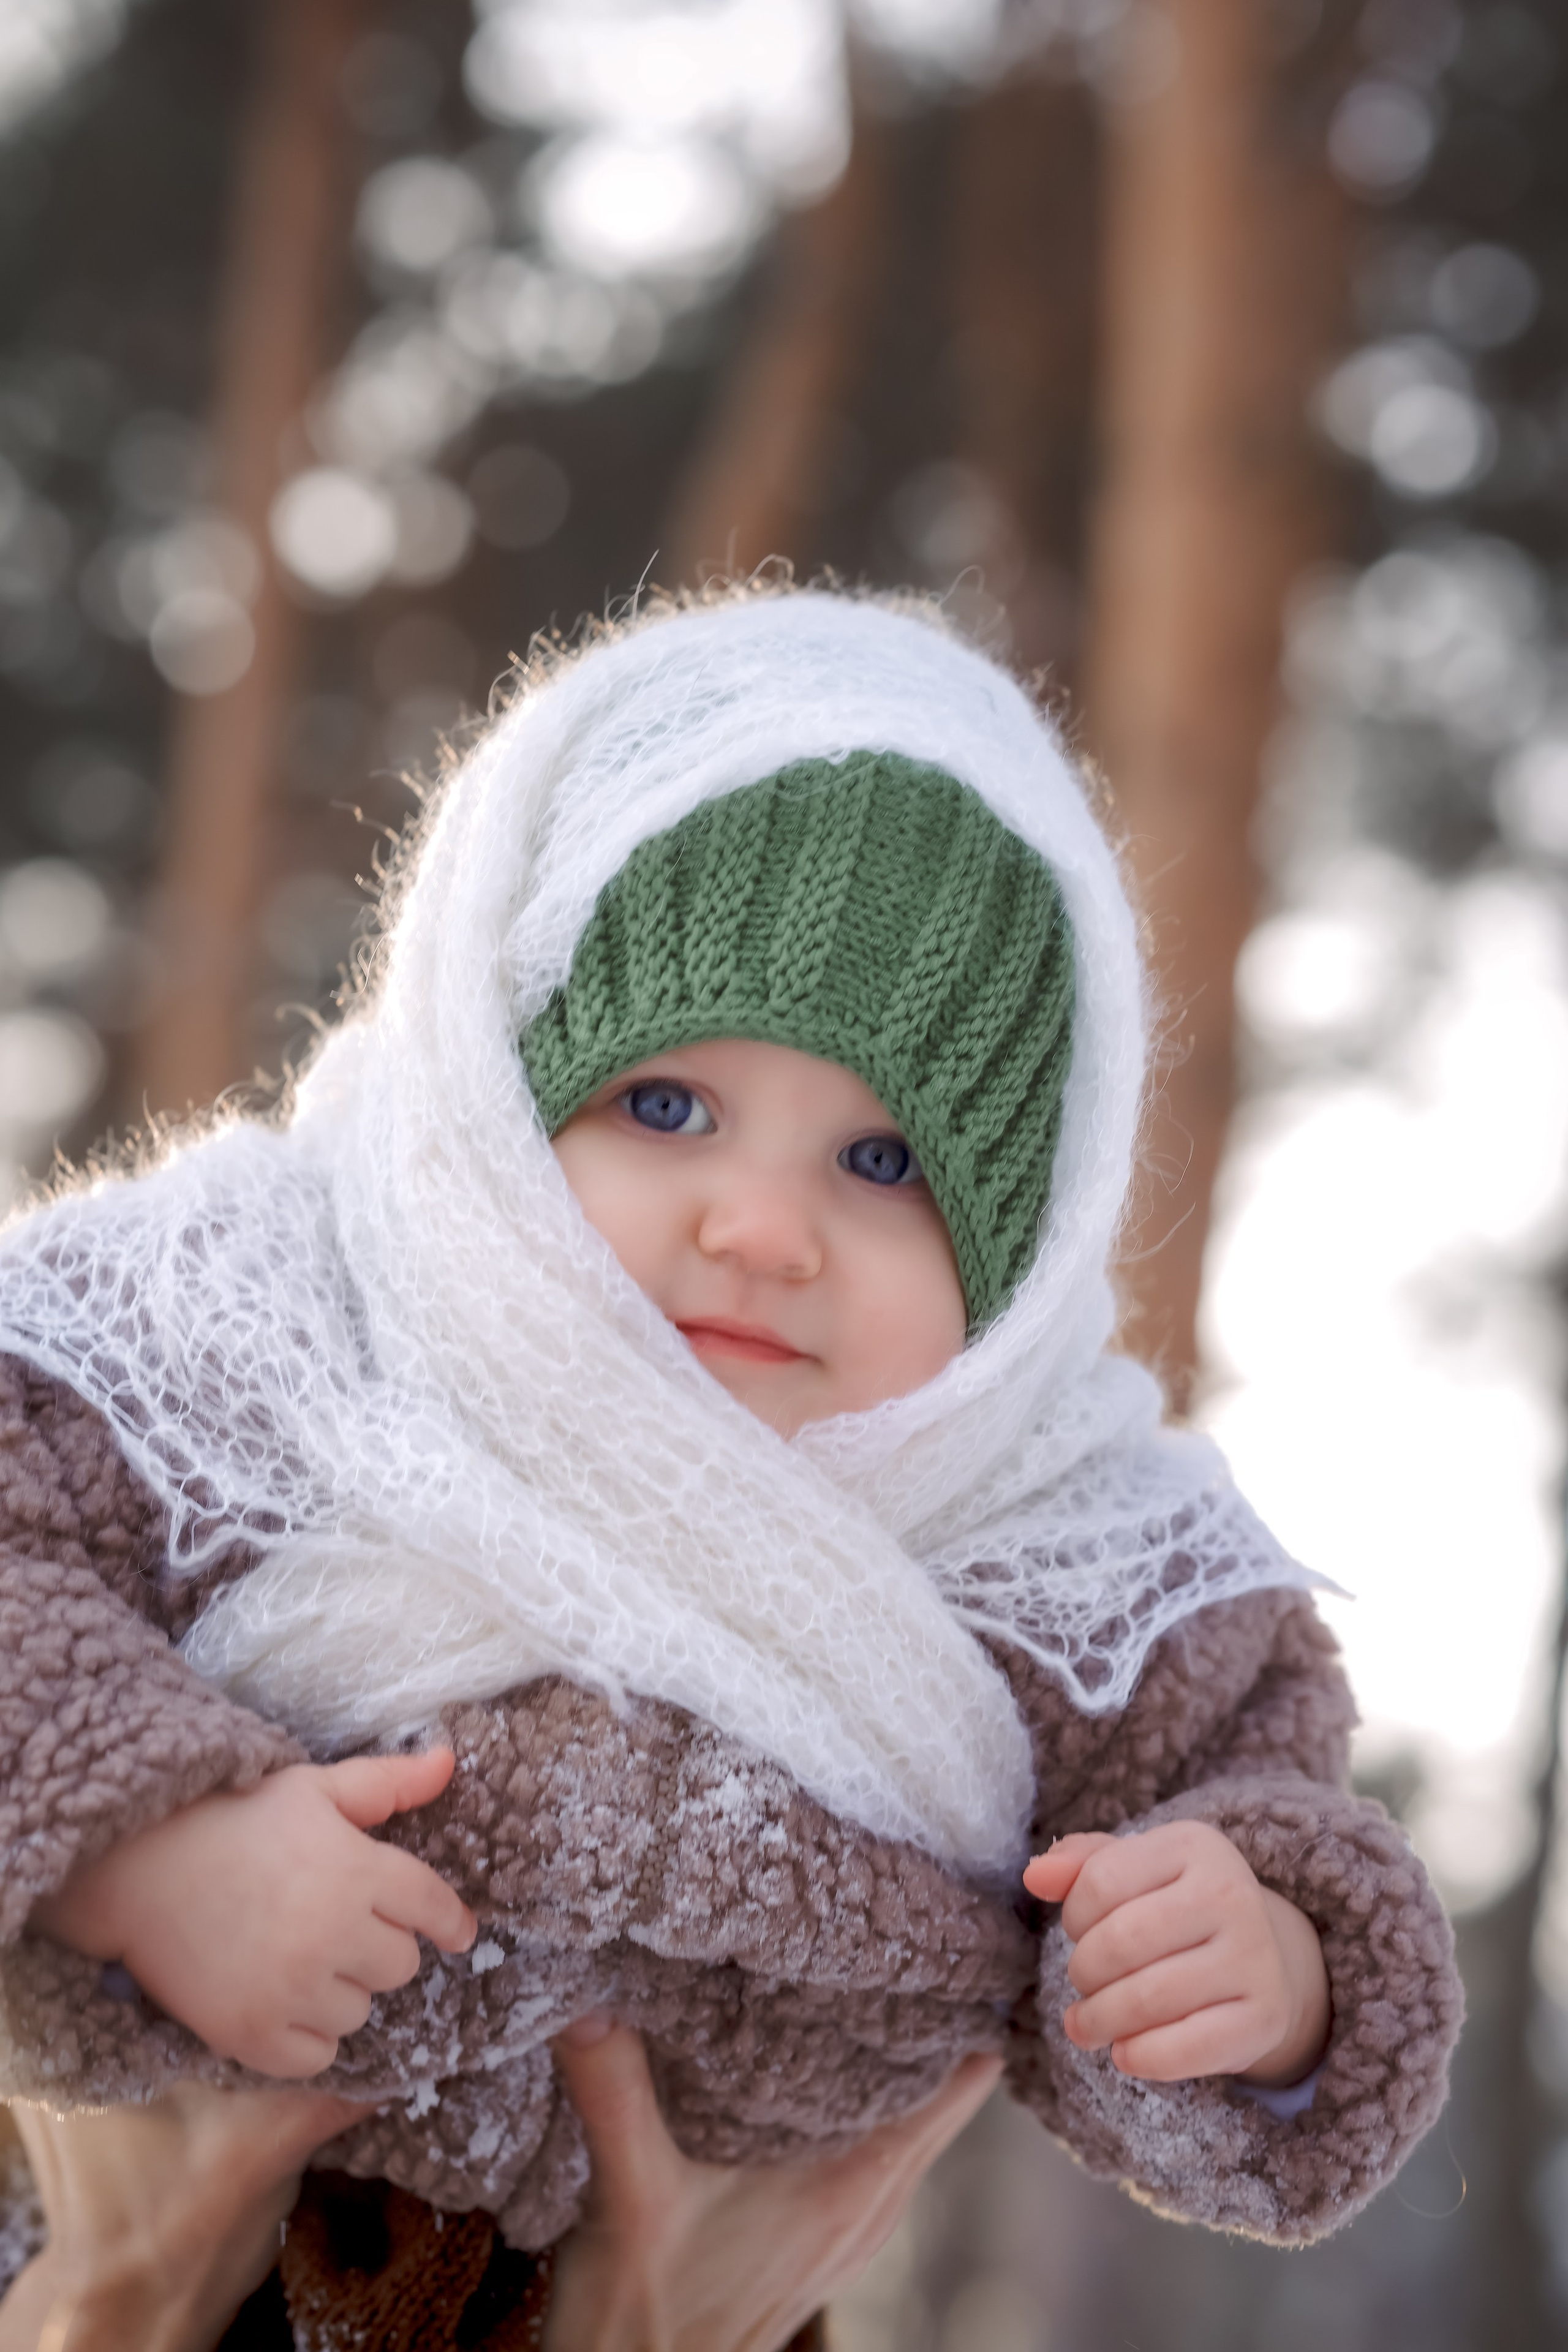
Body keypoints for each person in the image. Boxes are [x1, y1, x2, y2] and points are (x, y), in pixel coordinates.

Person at [0, 587, 1462, 2349]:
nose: (765, 1230)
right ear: (496, 1083)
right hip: (131, 2254)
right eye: (668, 1106)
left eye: (882, 1158)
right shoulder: (259, 1314)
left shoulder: (1068, 1539)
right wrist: (140, 1852)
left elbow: (1258, 1800)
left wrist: (1267, 1974)